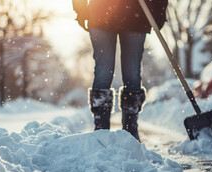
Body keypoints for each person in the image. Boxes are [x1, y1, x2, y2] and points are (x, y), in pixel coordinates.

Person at [72, 0, 168, 141]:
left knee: (132, 72)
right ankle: (101, 129)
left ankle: (130, 128)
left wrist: (159, 10)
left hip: (136, 15)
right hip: (101, 12)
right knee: (104, 71)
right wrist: (80, 9)